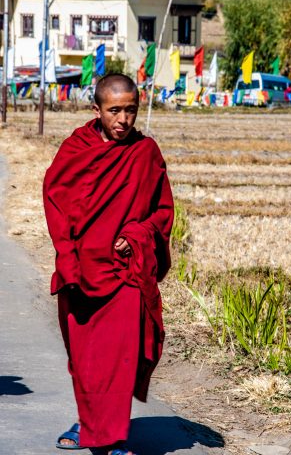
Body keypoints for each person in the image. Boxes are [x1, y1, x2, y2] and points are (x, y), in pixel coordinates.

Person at [43, 73, 174, 453]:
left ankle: (112, 438)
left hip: (124, 271)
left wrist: (137, 235)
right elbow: (56, 205)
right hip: (80, 269)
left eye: (130, 110)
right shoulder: (76, 149)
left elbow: (162, 212)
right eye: (114, 110)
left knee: (116, 360)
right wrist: (67, 259)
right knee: (85, 362)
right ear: (96, 109)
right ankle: (89, 424)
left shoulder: (145, 152)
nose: (123, 120)